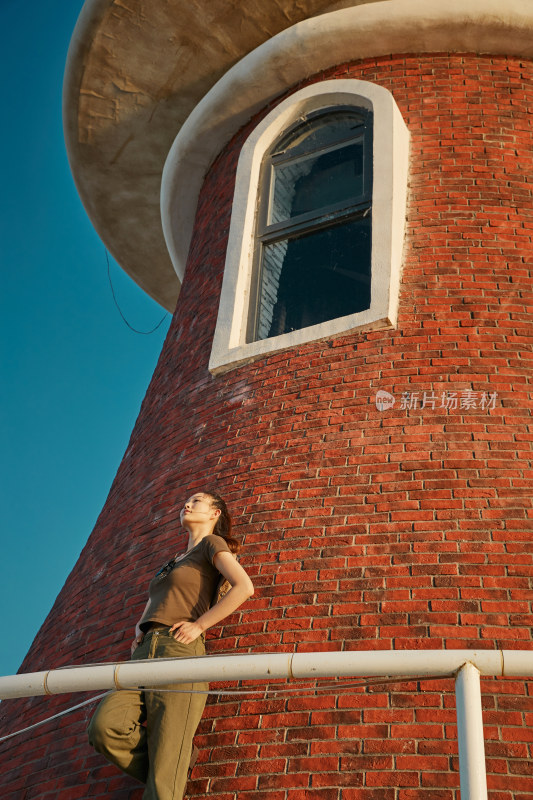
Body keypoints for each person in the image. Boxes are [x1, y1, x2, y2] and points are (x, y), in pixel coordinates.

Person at [88, 490, 254, 800]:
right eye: (185, 502)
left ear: (215, 514)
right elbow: (159, 596)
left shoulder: (211, 545)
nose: (187, 505)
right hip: (144, 651)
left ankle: (169, 767)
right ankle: (172, 763)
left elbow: (244, 586)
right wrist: (140, 625)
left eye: (197, 501)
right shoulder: (174, 560)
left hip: (179, 650)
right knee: (104, 727)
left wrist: (200, 625)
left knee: (164, 785)